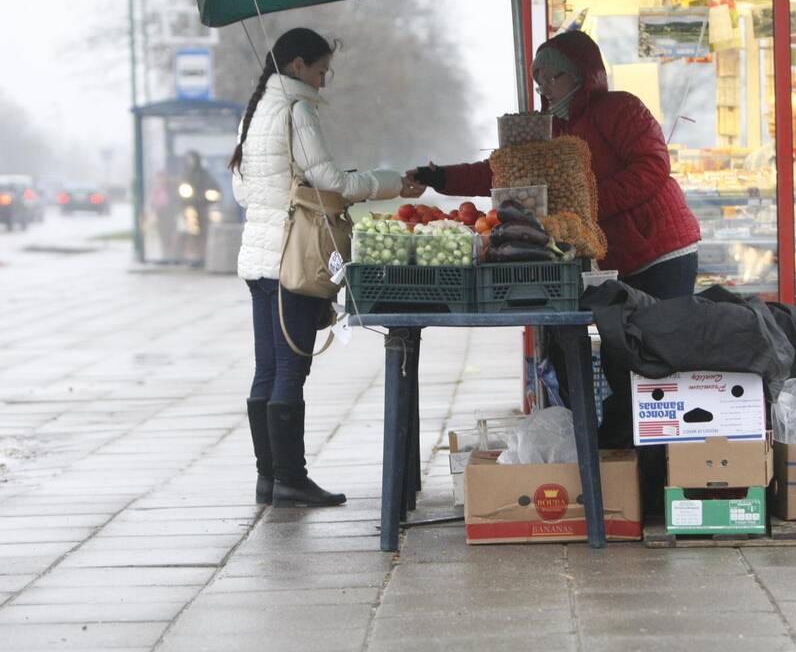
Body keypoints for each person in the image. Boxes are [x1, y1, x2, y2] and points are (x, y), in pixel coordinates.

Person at [402, 30, 701, 511]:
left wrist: (586, 207)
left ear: (585, 75)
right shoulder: (545, 129)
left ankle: (656, 474)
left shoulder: (621, 109)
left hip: (658, 250)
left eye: (555, 76)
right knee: (614, 358)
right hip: (607, 256)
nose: (545, 87)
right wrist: (441, 177)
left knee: (650, 361)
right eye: (539, 77)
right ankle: (615, 465)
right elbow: (501, 172)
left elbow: (652, 168)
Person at [230, 28, 406, 508]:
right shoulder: (295, 110)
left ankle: (269, 479)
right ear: (297, 66)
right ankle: (291, 478)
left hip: (258, 260)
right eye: (322, 70)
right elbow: (329, 179)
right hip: (295, 259)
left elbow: (241, 191)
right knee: (291, 370)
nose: (325, 81)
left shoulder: (253, 112)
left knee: (267, 367)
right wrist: (387, 182)